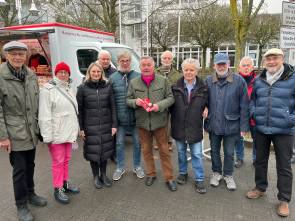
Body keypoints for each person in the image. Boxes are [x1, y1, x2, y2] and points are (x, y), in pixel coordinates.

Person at [0, 41, 47, 221]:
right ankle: (21, 205)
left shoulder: (30, 74)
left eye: (21, 54)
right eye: (14, 54)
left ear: (26, 56)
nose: (18, 57)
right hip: (14, 131)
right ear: (7, 56)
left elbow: (35, 103)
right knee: (19, 170)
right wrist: (3, 136)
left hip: (31, 130)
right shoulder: (1, 76)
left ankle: (31, 193)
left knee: (30, 165)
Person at [246, 48, 295, 217]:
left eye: (275, 58)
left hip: (284, 130)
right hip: (261, 128)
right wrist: (254, 113)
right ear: (264, 61)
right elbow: (253, 100)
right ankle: (260, 188)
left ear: (282, 59)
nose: (271, 62)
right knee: (260, 160)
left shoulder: (292, 78)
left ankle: (284, 199)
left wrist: (290, 119)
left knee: (284, 166)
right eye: (268, 59)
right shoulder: (260, 79)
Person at [127, 56, 177, 191]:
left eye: (149, 65)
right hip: (142, 123)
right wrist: (135, 102)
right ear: (140, 67)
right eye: (143, 65)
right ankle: (151, 173)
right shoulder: (134, 82)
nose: (146, 67)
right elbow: (128, 99)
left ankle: (169, 177)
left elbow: (171, 98)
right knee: (146, 150)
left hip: (160, 122)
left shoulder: (163, 80)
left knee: (164, 151)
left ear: (153, 66)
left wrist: (158, 106)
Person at [205, 53, 249, 191]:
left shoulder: (239, 81)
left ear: (229, 64)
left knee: (229, 153)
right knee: (214, 151)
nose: (222, 66)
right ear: (214, 66)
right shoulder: (208, 81)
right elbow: (203, 99)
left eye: (224, 63)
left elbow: (244, 105)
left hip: (232, 125)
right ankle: (216, 173)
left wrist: (243, 126)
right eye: (219, 64)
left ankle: (228, 175)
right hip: (214, 123)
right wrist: (204, 107)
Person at [38, 62, 80, 205]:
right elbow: (44, 115)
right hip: (56, 134)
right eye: (60, 72)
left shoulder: (69, 88)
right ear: (56, 73)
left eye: (66, 72)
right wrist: (47, 136)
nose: (63, 74)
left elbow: (73, 113)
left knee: (66, 160)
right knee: (58, 162)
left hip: (68, 132)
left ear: (69, 74)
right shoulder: (47, 90)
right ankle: (58, 188)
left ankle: (65, 183)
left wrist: (76, 131)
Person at [76, 62, 117, 189]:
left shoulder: (107, 86)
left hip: (106, 124)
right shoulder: (82, 88)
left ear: (101, 73)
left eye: (98, 72)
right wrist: (81, 128)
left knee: (105, 151)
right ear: (89, 73)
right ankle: (95, 176)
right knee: (93, 152)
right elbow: (80, 110)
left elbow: (113, 107)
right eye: (93, 71)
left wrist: (114, 125)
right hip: (90, 126)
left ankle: (104, 175)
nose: (96, 74)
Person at [170, 58, 208, 194]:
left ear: (197, 71)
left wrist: (208, 107)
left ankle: (199, 178)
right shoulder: (175, 86)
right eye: (186, 69)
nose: (189, 72)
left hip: (195, 125)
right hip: (179, 125)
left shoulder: (204, 87)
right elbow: (169, 104)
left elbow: (210, 102)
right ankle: (183, 173)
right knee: (180, 153)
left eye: (192, 70)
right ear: (182, 70)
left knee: (197, 154)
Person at [109, 51, 144, 181]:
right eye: (122, 61)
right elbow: (110, 100)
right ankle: (120, 167)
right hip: (119, 118)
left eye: (127, 60)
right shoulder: (113, 78)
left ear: (130, 62)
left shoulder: (138, 76)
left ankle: (137, 166)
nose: (125, 63)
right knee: (119, 144)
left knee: (137, 143)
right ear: (118, 62)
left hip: (136, 117)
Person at [155, 50, 182, 151]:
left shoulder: (177, 74)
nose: (167, 60)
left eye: (169, 58)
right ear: (161, 60)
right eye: (164, 58)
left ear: (172, 60)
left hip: (172, 101)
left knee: (170, 122)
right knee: (159, 121)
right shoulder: (155, 72)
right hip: (159, 100)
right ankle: (158, 141)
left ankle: (169, 142)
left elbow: (179, 87)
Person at [234, 56, 257, 168]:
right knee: (239, 138)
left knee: (256, 138)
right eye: (244, 65)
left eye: (248, 65)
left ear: (253, 67)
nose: (246, 67)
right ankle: (239, 158)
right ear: (239, 67)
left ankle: (256, 159)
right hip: (239, 114)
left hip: (254, 114)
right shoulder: (235, 80)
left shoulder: (258, 80)